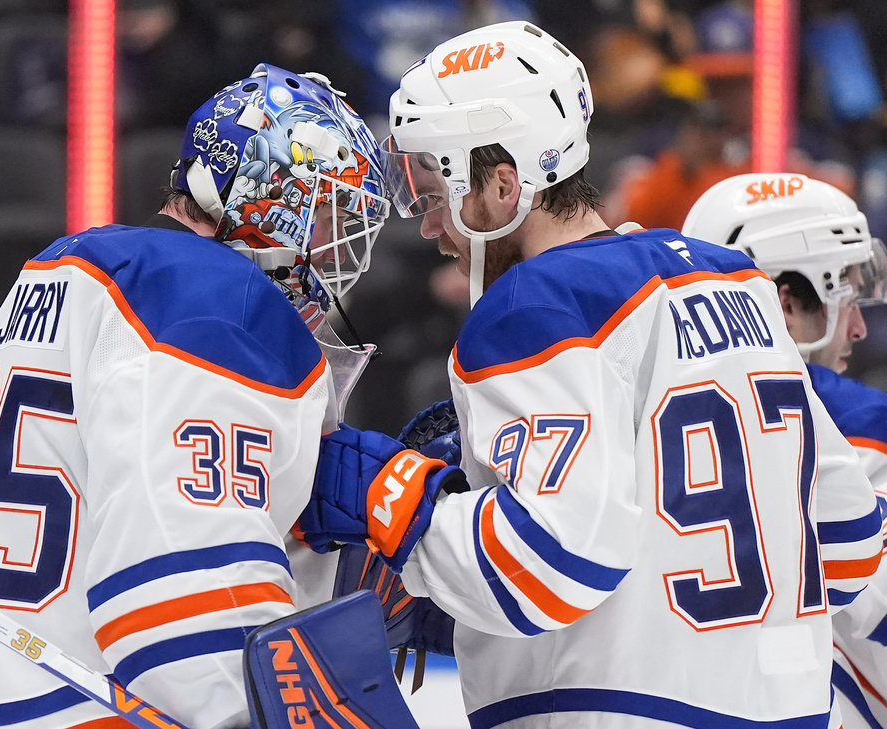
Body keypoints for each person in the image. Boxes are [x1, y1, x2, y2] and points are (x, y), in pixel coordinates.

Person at [296, 20, 885, 728]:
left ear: (504, 185)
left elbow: (549, 564)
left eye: (433, 195)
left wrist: (382, 490)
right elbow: (849, 545)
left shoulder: (538, 304)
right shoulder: (735, 279)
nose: (429, 227)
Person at [0, 63, 389, 729]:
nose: (335, 246)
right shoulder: (213, 300)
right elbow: (178, 588)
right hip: (98, 706)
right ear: (268, 198)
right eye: (330, 213)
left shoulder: (63, 267)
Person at [682, 173, 887, 729]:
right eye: (844, 292)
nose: (861, 326)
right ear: (784, 304)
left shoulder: (643, 415)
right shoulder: (858, 425)